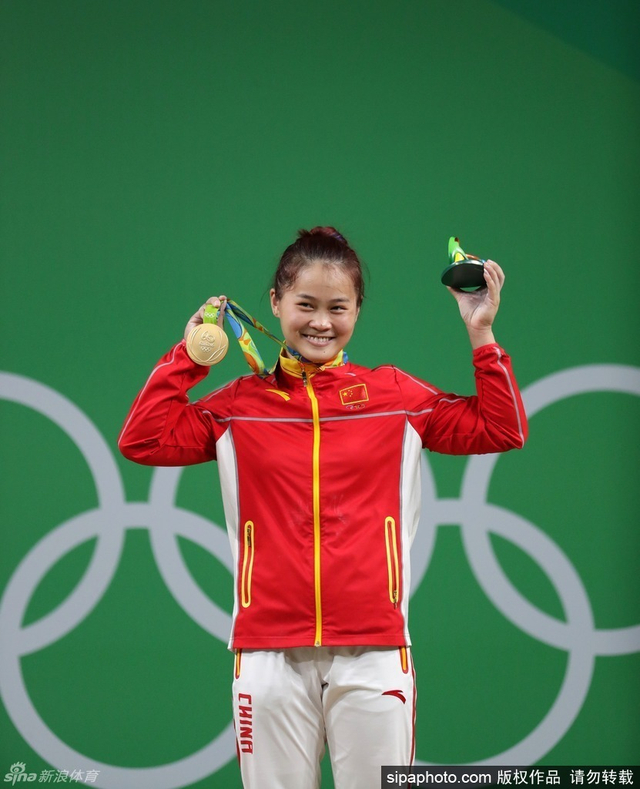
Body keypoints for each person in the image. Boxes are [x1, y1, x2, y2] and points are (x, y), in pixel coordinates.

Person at [118, 227, 527, 789]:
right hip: (267, 653)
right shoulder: (239, 406)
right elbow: (142, 440)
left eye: (338, 307)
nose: (321, 322)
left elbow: (502, 428)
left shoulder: (394, 397)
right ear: (275, 303)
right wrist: (189, 358)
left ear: (357, 309)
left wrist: (481, 333)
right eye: (305, 305)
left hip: (374, 650)